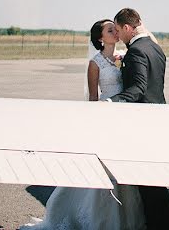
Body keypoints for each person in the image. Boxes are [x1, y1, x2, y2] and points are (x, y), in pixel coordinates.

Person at [23, 19, 146, 230]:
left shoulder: (121, 59)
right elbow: (92, 97)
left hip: (121, 118)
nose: (115, 32)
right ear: (100, 38)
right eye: (110, 30)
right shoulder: (95, 63)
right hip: (104, 118)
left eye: (115, 29)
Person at [107, 8, 169, 230]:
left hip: (143, 123)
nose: (118, 35)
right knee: (155, 183)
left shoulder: (136, 51)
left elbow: (138, 89)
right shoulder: (155, 48)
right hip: (159, 119)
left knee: (148, 185)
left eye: (118, 30)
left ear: (127, 27)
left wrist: (109, 103)